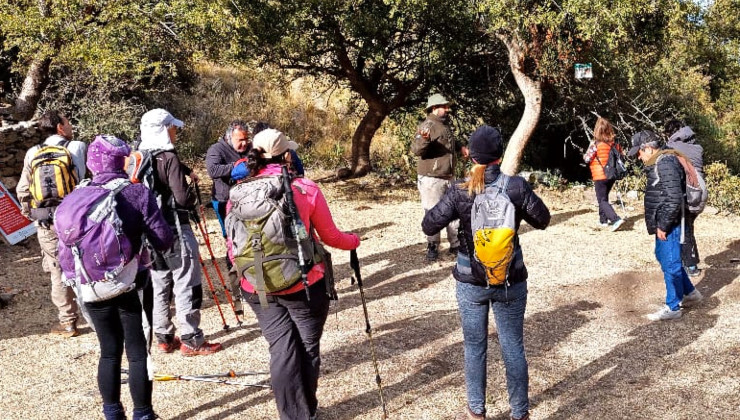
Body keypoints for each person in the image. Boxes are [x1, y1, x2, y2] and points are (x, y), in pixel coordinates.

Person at [229, 128, 360, 420]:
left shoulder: (237, 192)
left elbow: (232, 245)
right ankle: (307, 411)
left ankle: (293, 415)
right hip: (303, 282)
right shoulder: (305, 188)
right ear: (286, 154)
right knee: (307, 348)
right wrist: (354, 241)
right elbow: (330, 236)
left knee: (282, 349)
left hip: (257, 285)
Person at [422, 125, 550, 420]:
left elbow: (429, 225)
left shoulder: (459, 191)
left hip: (470, 280)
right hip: (510, 277)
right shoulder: (516, 186)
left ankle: (476, 412)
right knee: (513, 347)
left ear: (470, 155)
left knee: (474, 346)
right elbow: (543, 219)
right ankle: (520, 413)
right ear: (499, 155)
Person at [60, 135, 174, 420]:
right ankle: (143, 414)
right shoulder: (135, 193)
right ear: (122, 160)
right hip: (130, 281)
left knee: (108, 350)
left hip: (90, 284)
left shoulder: (77, 194)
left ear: (91, 162)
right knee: (137, 352)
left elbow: (65, 247)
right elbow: (163, 239)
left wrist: (76, 280)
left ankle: (112, 412)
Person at [138, 108, 222, 356]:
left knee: (160, 281)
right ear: (164, 129)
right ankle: (192, 339)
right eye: (172, 127)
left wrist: (184, 169)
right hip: (175, 228)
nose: (175, 131)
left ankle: (164, 337)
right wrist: (190, 189)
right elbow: (182, 198)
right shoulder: (169, 158)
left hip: (150, 232)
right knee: (187, 281)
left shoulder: (139, 156)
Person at [15, 109, 86, 337]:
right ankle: (97, 313)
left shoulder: (32, 153)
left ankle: (68, 322)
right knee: (85, 262)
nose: (70, 126)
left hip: (46, 220)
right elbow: (87, 181)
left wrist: (31, 214)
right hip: (77, 217)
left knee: (57, 269)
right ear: (59, 128)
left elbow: (23, 190)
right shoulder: (76, 147)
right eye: (68, 122)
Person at [628, 130, 703, 321]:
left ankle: (673, 306)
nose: (638, 155)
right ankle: (690, 294)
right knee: (663, 256)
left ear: (649, 148)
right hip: (665, 220)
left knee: (671, 263)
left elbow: (673, 199)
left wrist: (663, 225)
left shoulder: (665, 162)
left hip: (670, 222)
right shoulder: (661, 160)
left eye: (639, 151)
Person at [411, 93, 468, 261]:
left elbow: (447, 143)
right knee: (433, 212)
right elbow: (416, 150)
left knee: (453, 210)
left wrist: (461, 148)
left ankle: (456, 244)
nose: (448, 109)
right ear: (435, 109)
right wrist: (424, 139)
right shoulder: (427, 125)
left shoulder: (444, 125)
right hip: (431, 178)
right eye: (444, 106)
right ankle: (433, 245)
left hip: (448, 176)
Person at [664, 120, 704, 277]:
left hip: (686, 188)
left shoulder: (672, 147)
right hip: (700, 188)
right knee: (688, 225)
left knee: (683, 227)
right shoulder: (697, 146)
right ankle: (690, 262)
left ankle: (690, 265)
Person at [206, 120, 251, 238]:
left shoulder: (250, 148)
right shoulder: (216, 149)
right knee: (230, 235)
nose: (245, 143)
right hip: (224, 199)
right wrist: (236, 166)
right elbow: (213, 170)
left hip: (247, 198)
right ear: (229, 137)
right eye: (240, 140)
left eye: (246, 139)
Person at [582, 117, 625, 231]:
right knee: (604, 197)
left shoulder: (595, 144)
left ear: (596, 130)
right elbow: (621, 156)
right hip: (611, 175)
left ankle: (615, 219)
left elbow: (587, 158)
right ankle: (603, 220)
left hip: (599, 175)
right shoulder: (614, 144)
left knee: (602, 200)